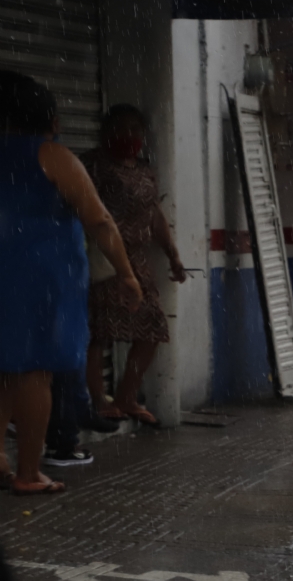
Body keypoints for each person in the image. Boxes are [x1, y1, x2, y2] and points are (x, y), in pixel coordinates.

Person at [0, 71, 140, 495]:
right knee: (34, 373)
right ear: (52, 119)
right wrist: (127, 273)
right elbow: (99, 220)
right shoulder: (53, 156)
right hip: (42, 279)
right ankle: (28, 471)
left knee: (4, 370)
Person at [82, 105, 187, 427]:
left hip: (139, 262)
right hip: (106, 259)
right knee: (98, 332)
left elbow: (154, 216)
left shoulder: (144, 169)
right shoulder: (92, 165)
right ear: (107, 131)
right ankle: (98, 400)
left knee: (152, 326)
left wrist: (173, 255)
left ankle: (127, 395)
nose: (130, 136)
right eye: (122, 128)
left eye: (136, 129)